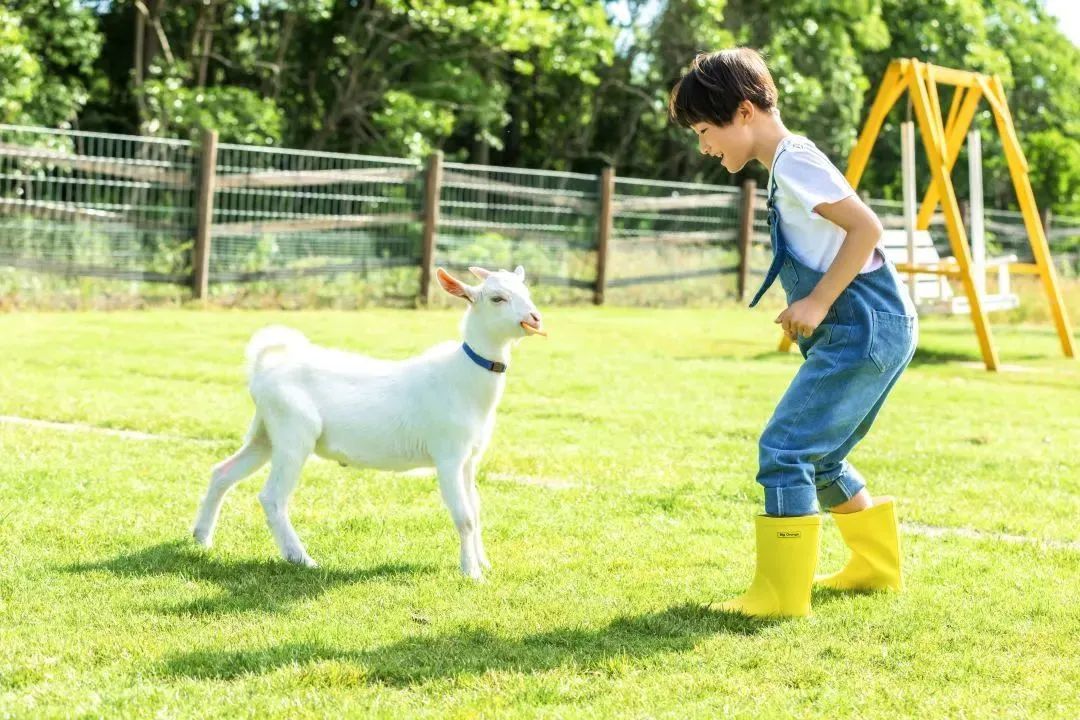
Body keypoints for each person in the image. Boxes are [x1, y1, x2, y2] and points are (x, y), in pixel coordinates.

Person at [668, 48, 918, 617]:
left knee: (784, 450)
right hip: (871, 327)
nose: (704, 146)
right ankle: (874, 569)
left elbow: (866, 228)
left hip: (861, 323)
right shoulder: (788, 164)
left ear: (745, 111)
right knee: (820, 458)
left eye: (706, 130)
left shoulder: (793, 160)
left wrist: (819, 300)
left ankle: (780, 596)